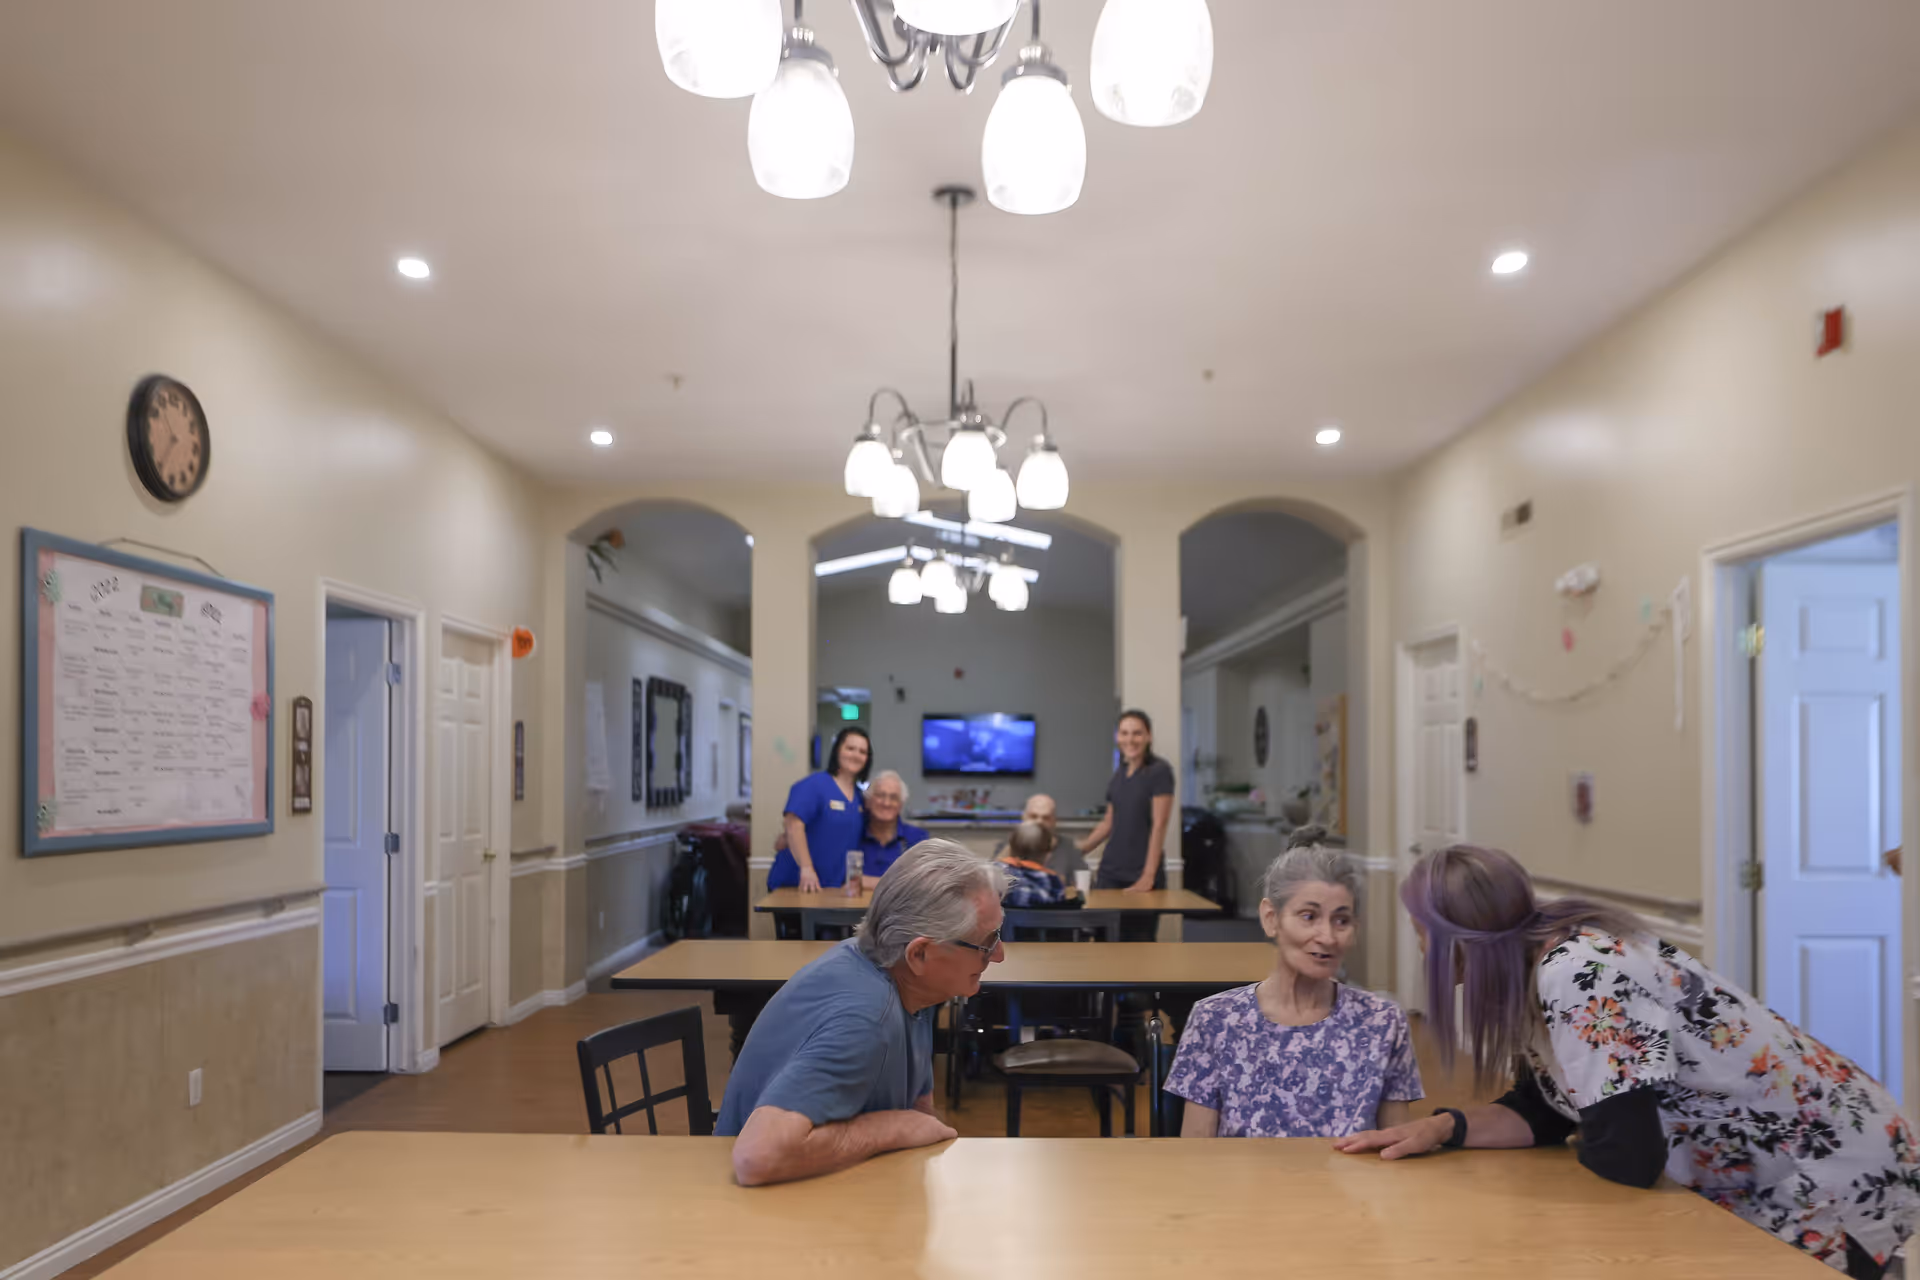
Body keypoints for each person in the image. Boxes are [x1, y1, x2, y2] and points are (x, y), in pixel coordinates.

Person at [1335, 844, 1920, 1279]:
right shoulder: (1531, 968)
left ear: (1457, 940)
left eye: (1420, 932)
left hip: (1831, 1171)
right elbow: (1548, 1109)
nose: (1419, 947)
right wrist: (1444, 1127)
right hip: (1764, 1174)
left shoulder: (1579, 972)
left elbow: (1628, 1154)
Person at [720, 841, 1006, 1186]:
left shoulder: (911, 984)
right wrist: (892, 1128)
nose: (999, 955)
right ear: (920, 955)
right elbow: (757, 1159)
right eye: (987, 942)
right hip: (755, 1215)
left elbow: (920, 1112)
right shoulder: (867, 1016)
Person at [1168, 833, 1422, 1136]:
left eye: (1341, 921)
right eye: (1308, 916)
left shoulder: (1384, 1023)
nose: (1327, 937)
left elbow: (1395, 1147)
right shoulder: (1215, 1020)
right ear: (1271, 918)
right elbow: (1198, 1157)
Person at [1080, 709, 1176, 941]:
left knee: (1137, 945)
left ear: (1148, 737)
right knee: (1104, 941)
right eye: (1124, 733)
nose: (1130, 739)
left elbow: (1159, 825)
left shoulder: (1160, 772)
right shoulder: (1119, 774)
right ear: (1117, 737)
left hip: (1140, 872)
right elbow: (1108, 823)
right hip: (1109, 872)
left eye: (1137, 733)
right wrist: (1075, 851)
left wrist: (1148, 875)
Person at [766, 726, 870, 893]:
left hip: (831, 887)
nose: (856, 755)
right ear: (837, 751)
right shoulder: (814, 785)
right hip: (796, 884)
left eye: (862, 752)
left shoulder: (860, 798)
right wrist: (806, 868)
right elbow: (793, 824)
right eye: (850, 748)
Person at [856, 770, 929, 884]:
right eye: (880, 795)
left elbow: (921, 884)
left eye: (893, 797)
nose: (886, 803)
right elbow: (845, 879)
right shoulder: (853, 835)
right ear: (868, 802)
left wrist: (868, 882)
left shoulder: (918, 839)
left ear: (900, 805)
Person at [992, 794, 1086, 881]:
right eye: (1033, 816)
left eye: (1046, 818)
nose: (1039, 822)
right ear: (1024, 818)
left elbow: (1085, 882)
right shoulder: (1009, 843)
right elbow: (991, 879)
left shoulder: (1068, 847)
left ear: (1054, 821)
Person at [996, 820, 1071, 908]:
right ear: (1047, 854)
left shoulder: (993, 876)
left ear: (1010, 848)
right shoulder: (1053, 882)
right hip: (1041, 921)